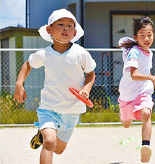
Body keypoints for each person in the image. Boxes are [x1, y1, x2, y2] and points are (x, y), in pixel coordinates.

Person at [13, 9, 96, 164]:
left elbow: (91, 74)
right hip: (49, 108)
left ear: (74, 32)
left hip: (71, 112)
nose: (65, 28)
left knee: (58, 149)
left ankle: (41, 136)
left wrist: (86, 89)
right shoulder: (45, 54)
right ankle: (46, 135)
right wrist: (19, 84)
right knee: (50, 142)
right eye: (60, 24)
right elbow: (27, 65)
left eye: (70, 26)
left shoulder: (80, 53)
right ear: (49, 30)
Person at [118, 17, 155, 163]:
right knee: (125, 124)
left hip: (143, 92)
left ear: (154, 35)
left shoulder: (150, 53)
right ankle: (125, 114)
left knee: (146, 113)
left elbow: (146, 72)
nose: (147, 38)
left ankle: (145, 147)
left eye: (149, 34)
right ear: (136, 37)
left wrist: (154, 81)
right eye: (142, 35)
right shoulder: (134, 52)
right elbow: (134, 75)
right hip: (127, 94)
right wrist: (150, 78)